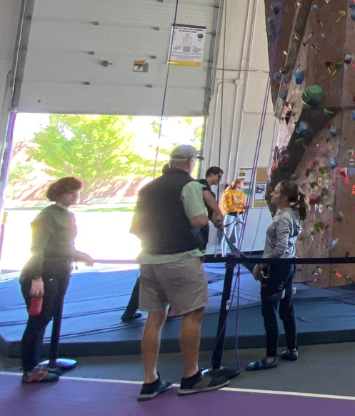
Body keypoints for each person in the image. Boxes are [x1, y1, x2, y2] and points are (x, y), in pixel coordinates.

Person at [130, 145, 228, 400]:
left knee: (154, 317)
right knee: (193, 313)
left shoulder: (147, 188)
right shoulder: (190, 186)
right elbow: (197, 220)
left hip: (149, 259)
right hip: (180, 257)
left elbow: (135, 227)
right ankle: (191, 375)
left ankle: (150, 379)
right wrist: (211, 217)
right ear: (190, 162)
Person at [18, 177, 95, 383]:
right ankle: (29, 368)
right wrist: (37, 277)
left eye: (76, 191)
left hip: (60, 272)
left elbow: (65, 245)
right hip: (44, 274)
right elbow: (38, 248)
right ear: (59, 193)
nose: (75, 195)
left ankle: (34, 365)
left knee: (46, 317)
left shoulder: (67, 215)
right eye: (70, 192)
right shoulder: (46, 216)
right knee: (38, 320)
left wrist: (80, 256)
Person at [246, 180, 305, 371]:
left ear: (285, 198)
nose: (272, 194)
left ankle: (271, 357)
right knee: (286, 308)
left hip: (279, 267)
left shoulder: (284, 218)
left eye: (276, 192)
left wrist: (261, 263)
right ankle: (291, 348)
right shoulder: (289, 215)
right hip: (288, 265)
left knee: (269, 310)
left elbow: (280, 248)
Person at [220, 178, 248, 254]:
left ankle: (238, 253)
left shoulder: (242, 194)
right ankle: (223, 254)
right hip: (230, 215)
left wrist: (244, 206)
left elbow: (243, 204)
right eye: (242, 183)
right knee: (227, 236)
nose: (243, 185)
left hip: (240, 214)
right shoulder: (228, 193)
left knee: (239, 235)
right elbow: (228, 207)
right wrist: (238, 204)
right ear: (238, 184)